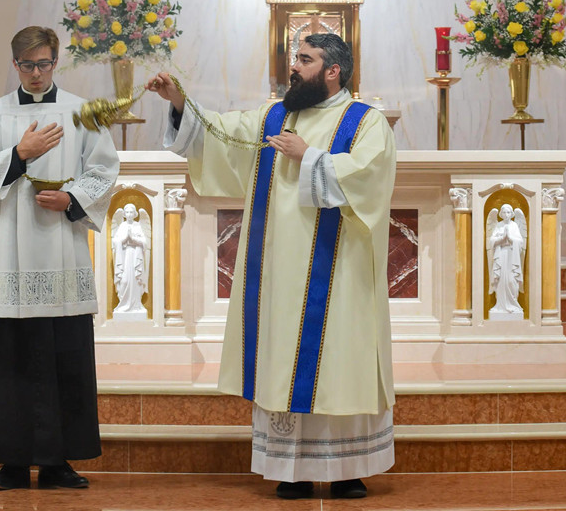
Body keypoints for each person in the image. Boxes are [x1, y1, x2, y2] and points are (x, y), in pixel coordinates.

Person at [147, 33, 397, 499]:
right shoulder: (273, 116)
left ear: (332, 71)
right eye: (294, 58)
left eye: (305, 60)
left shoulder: (365, 123)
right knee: (283, 356)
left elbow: (371, 176)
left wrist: (311, 157)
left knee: (339, 360)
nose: (294, 68)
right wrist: (179, 101)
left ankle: (348, 469)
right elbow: (221, 134)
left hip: (339, 273)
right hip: (280, 275)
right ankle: (290, 467)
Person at [0, 26, 119, 489]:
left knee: (63, 352)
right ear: (15, 65)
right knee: (9, 356)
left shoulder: (80, 112)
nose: (36, 73)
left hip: (60, 249)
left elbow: (104, 169)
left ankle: (58, 462)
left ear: (56, 62)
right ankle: (11, 461)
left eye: (44, 63)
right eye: (27, 65)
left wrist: (72, 199)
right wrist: (18, 155)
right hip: (11, 252)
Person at [111, 203, 150, 314]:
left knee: (136, 280)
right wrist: (125, 239)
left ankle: (136, 304)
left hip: (136, 256)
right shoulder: (122, 226)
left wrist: (133, 239)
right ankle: (123, 303)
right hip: (123, 256)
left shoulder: (138, 225)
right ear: (124, 214)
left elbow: (144, 242)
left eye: (131, 212)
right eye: (127, 212)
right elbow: (116, 241)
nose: (129, 214)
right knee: (124, 281)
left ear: (135, 214)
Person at [487, 203, 525, 315]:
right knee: (500, 280)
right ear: (501, 214)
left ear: (512, 214)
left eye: (508, 212)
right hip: (501, 255)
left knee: (511, 279)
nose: (506, 214)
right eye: (504, 212)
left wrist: (510, 238)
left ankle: (513, 304)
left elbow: (520, 241)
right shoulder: (498, 225)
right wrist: (502, 238)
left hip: (512, 256)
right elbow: (491, 241)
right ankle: (500, 305)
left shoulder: (514, 226)